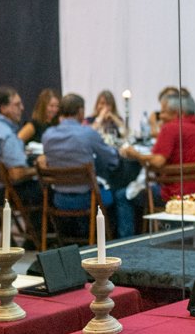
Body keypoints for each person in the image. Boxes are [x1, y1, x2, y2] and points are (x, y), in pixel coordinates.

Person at [43, 92, 136, 238]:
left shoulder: (47, 135)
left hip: (58, 199)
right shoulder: (87, 134)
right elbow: (112, 159)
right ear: (80, 111)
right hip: (87, 199)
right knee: (117, 191)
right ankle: (114, 237)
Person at [120, 92, 195, 203]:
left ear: (178, 113)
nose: (161, 116)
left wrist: (136, 155)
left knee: (122, 196)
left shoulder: (170, 128)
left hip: (174, 194)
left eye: (163, 112)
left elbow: (158, 162)